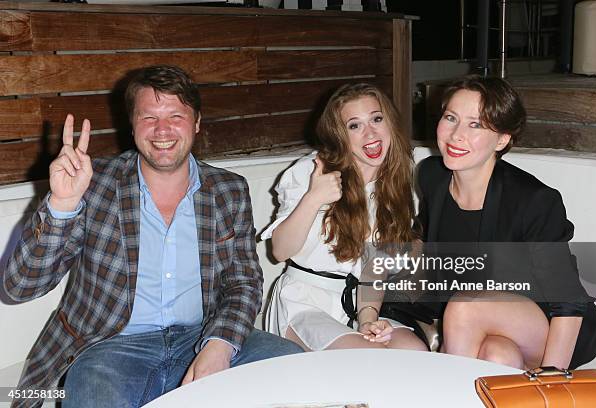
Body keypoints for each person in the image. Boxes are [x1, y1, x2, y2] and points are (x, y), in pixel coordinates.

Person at [3, 65, 302, 408]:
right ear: (132, 126)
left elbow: (244, 282)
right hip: (110, 348)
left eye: (176, 115)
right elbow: (19, 287)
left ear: (197, 122)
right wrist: (61, 206)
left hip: (202, 333)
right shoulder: (94, 184)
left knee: (293, 367)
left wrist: (220, 345)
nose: (162, 129)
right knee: (91, 397)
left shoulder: (228, 189)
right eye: (148, 117)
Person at [418, 75, 596, 369]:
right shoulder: (432, 176)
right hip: (489, 325)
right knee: (497, 356)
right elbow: (423, 242)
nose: (456, 134)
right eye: (450, 117)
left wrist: (551, 377)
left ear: (503, 139)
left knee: (464, 307)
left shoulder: (532, 200)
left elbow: (568, 302)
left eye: (475, 124)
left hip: (545, 324)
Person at [262, 83, 427, 352]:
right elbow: (280, 251)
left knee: (414, 352)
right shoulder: (310, 171)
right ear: (340, 135)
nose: (370, 132)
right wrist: (313, 198)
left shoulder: (398, 183)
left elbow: (375, 269)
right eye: (354, 125)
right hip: (304, 303)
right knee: (370, 357)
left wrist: (368, 320)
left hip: (357, 304)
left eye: (376, 119)